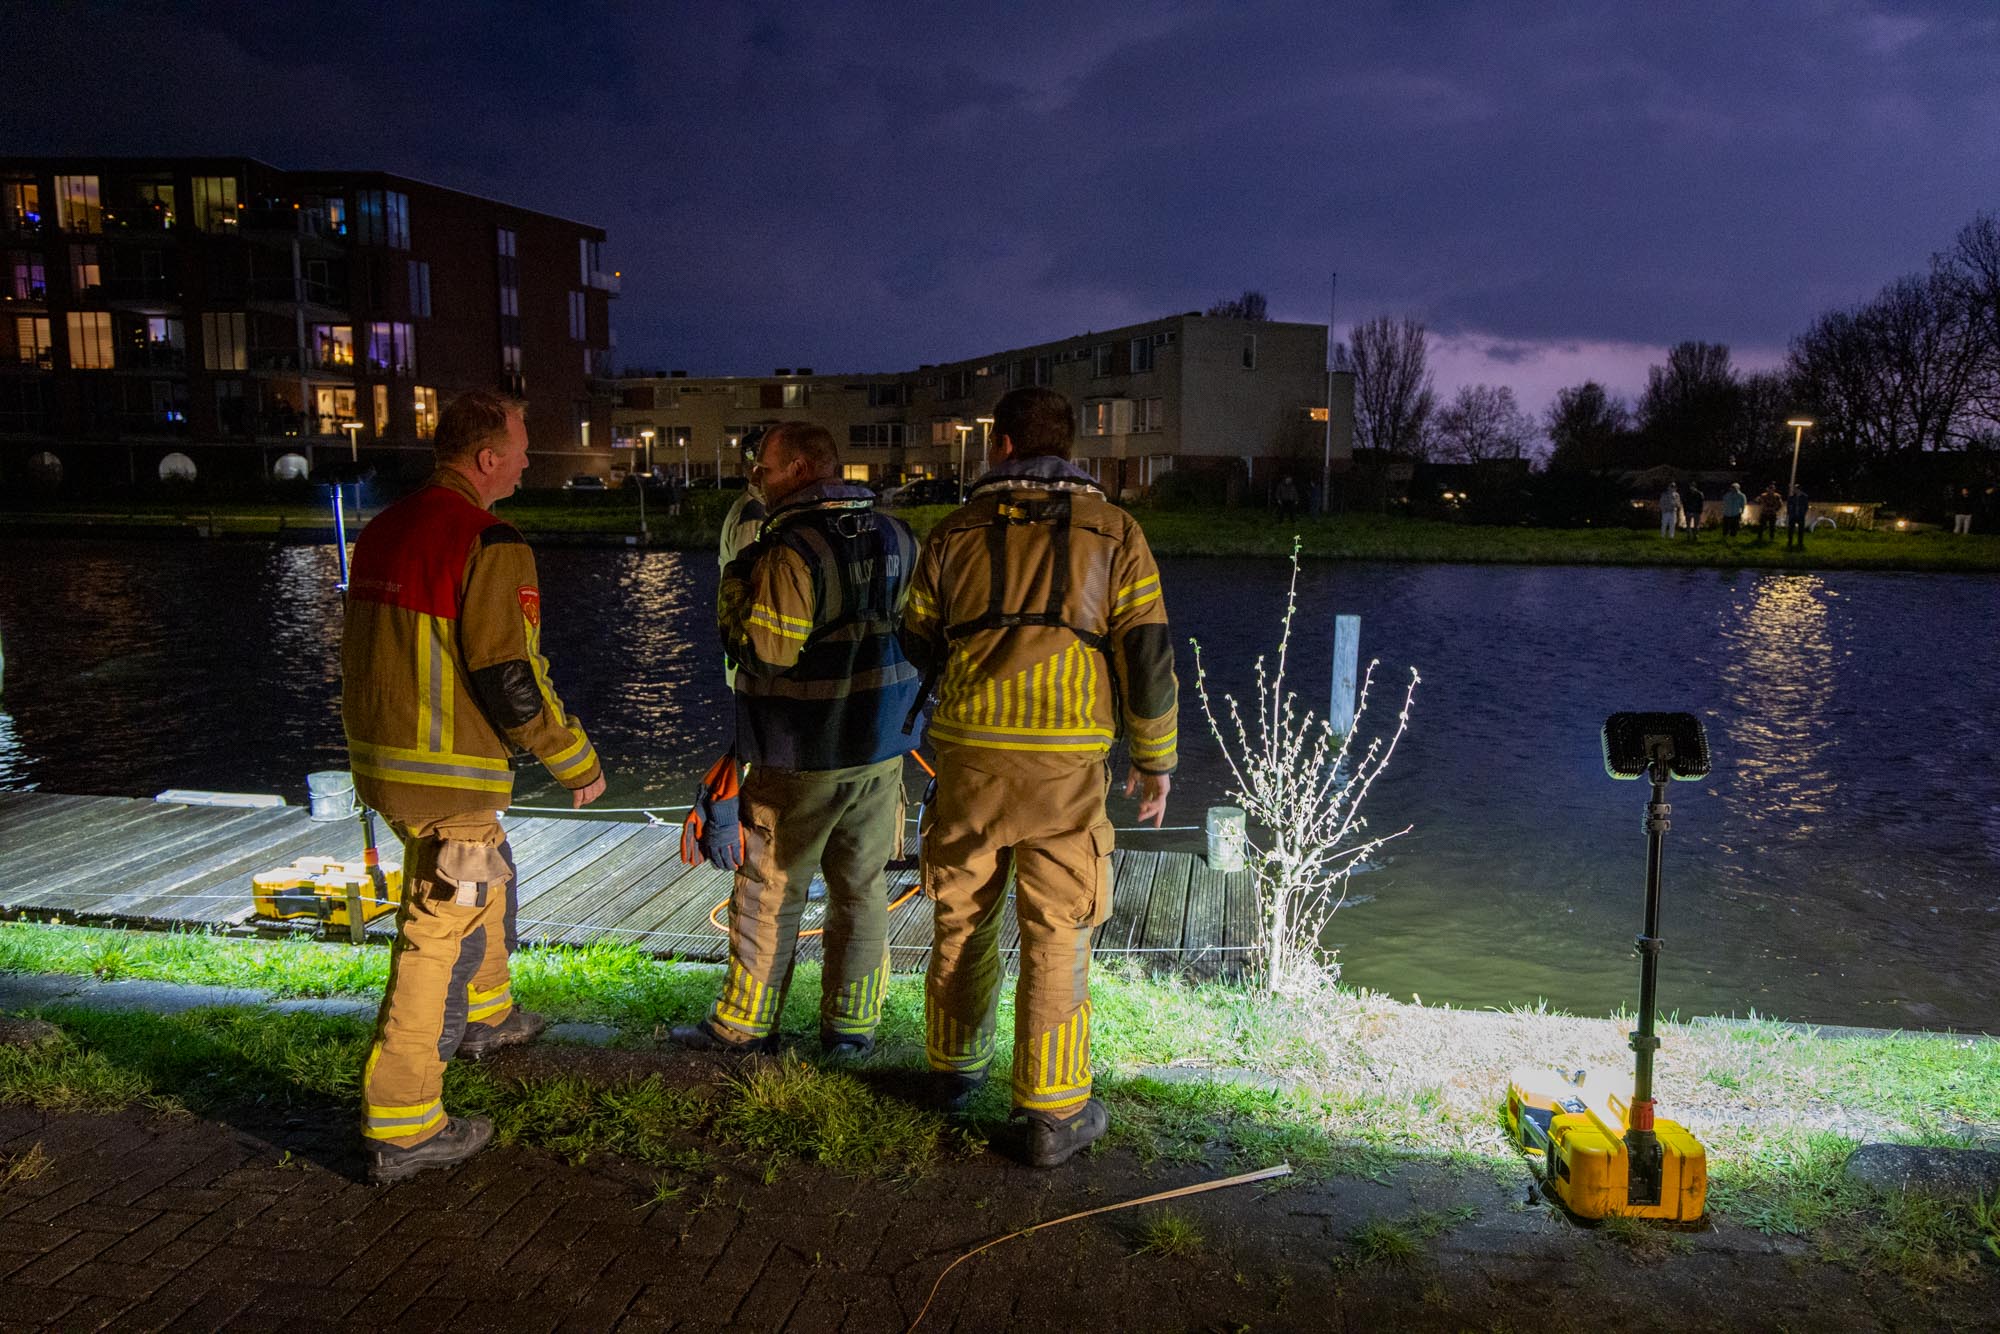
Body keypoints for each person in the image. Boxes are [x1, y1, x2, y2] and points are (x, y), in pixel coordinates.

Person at [901, 386, 1178, 1169]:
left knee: (962, 914)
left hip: (969, 758)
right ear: (1075, 448)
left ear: (1002, 445)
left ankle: (955, 1073)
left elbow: (916, 634)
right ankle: (1052, 1116)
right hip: (1066, 767)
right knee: (1058, 931)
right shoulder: (1117, 532)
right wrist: (1154, 762)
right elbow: (1148, 660)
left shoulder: (951, 531)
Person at [342, 390, 606, 1184]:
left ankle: (490, 1013)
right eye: (522, 445)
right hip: (449, 773)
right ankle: (407, 1120)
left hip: (384, 762)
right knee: (435, 935)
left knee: (488, 874)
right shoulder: (490, 540)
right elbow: (509, 673)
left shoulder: (386, 527)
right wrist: (573, 759)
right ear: (487, 457)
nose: (529, 458)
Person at [673, 423, 919, 1058]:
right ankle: (851, 1030)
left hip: (801, 750)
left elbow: (766, 652)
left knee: (769, 890)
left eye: (766, 467)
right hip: (881, 751)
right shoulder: (900, 537)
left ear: (804, 467)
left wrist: (735, 587)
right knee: (861, 888)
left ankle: (742, 1028)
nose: (755, 476)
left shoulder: (789, 550)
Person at [1785, 484, 1811, 549]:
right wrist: (1789, 514)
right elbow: (1788, 506)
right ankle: (1790, 542)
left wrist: (1803, 514)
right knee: (1790, 530)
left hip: (1800, 516)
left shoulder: (1804, 497)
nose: (1794, 490)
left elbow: (1806, 507)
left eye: (1795, 489)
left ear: (1799, 490)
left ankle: (1800, 543)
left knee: (1801, 530)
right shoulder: (1791, 497)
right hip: (1792, 516)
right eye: (1794, 489)